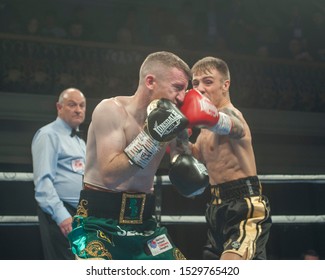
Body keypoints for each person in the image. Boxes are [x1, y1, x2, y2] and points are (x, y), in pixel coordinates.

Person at [68, 51, 196, 260]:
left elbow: (190, 185)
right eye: (177, 88)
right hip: (99, 221)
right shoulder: (110, 110)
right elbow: (110, 176)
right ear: (150, 81)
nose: (181, 97)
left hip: (145, 222)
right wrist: (152, 137)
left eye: (185, 90)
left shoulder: (172, 120)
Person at [172, 56, 272, 260]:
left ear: (225, 85)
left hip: (245, 206)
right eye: (196, 83)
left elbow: (236, 128)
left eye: (208, 82)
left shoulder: (232, 114)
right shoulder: (205, 130)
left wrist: (210, 116)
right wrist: (177, 131)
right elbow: (194, 156)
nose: (200, 88)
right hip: (216, 207)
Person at [31, 88, 86, 259]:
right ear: (59, 107)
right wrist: (61, 215)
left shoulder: (79, 141)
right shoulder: (48, 135)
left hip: (80, 214)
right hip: (60, 215)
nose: (78, 109)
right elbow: (43, 182)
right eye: (72, 104)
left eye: (82, 105)